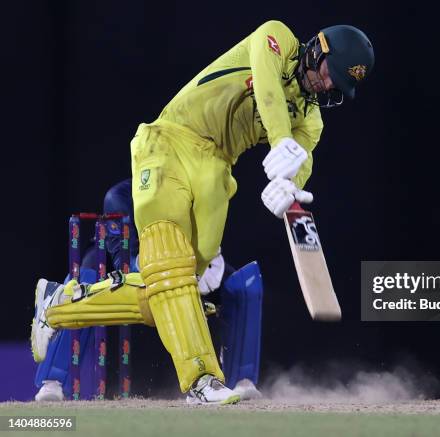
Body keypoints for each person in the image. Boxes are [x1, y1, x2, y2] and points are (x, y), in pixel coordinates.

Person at [32, 21, 374, 404]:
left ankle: (58, 306)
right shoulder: (276, 39)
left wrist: (289, 188)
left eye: (337, 87)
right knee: (170, 265)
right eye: (331, 74)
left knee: (171, 291)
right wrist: (279, 141)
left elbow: (301, 159)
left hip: (216, 171)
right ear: (318, 50)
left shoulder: (311, 121)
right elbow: (267, 88)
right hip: (171, 140)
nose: (328, 87)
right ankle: (202, 380)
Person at [32, 180, 263, 403]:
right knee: (85, 277)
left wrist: (207, 261)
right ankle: (51, 380)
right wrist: (177, 280)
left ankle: (242, 381)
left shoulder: (200, 186)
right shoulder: (124, 196)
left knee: (245, 284)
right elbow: (127, 263)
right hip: (120, 258)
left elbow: (206, 237)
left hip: (180, 260)